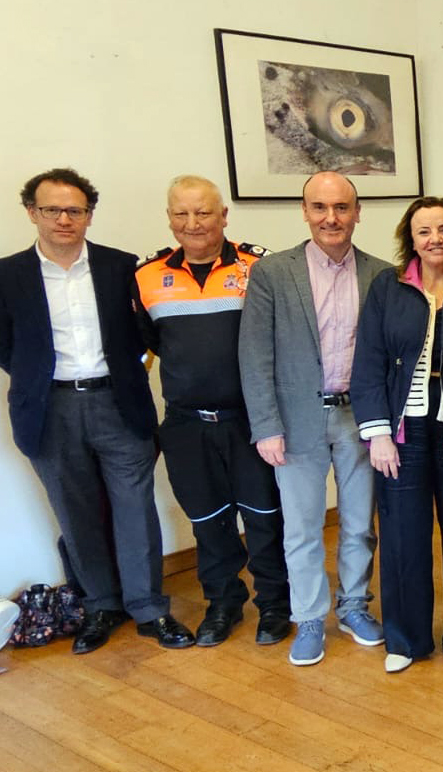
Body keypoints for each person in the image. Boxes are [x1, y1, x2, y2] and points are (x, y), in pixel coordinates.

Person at [0, 168, 194, 653]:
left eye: (75, 210)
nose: (64, 219)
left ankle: (149, 608)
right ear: (32, 213)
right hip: (50, 410)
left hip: (118, 404)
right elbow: (7, 347)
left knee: (135, 509)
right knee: (76, 512)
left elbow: (145, 334)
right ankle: (101, 606)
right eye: (53, 210)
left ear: (89, 215)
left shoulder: (120, 268)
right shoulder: (7, 276)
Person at [238, 171, 389, 667]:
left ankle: (353, 606)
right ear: (304, 212)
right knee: (302, 528)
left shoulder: (381, 274)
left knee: (358, 523)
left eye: (342, 207)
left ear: (357, 212)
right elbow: (254, 354)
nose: (331, 217)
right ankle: (308, 617)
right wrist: (265, 426)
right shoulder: (272, 273)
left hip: (359, 418)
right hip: (295, 419)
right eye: (320, 207)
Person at [134, 174, 289, 647]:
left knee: (264, 518)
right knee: (208, 521)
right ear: (169, 219)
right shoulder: (146, 277)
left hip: (251, 420)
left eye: (203, 212)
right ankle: (223, 604)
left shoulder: (259, 267)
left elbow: (281, 339)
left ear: (224, 215)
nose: (193, 223)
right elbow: (148, 345)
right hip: (187, 425)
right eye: (181, 213)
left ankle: (274, 604)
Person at [350, 197, 443, 673]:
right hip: (402, 429)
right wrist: (378, 434)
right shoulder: (388, 287)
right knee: (403, 534)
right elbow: (368, 362)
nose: (435, 240)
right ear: (410, 238)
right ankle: (406, 639)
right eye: (424, 231)